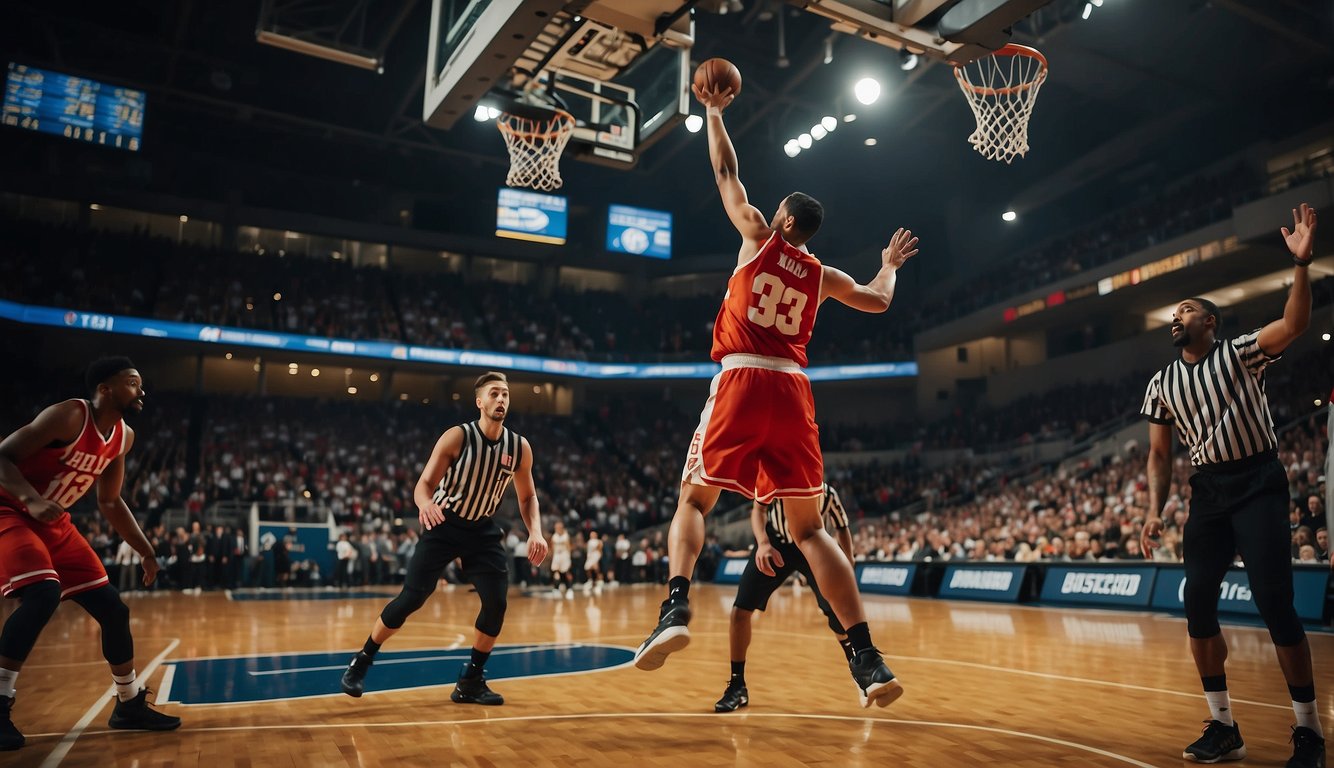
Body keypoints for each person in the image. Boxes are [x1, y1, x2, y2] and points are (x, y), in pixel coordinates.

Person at [632, 78, 917, 709]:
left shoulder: (758, 236)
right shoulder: (822, 275)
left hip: (741, 376)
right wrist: (890, 265)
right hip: (793, 389)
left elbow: (726, 169)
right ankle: (867, 659)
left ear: (784, 219)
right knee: (812, 533)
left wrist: (712, 112)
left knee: (696, 501)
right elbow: (875, 300)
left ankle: (675, 606)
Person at [1140, 203, 1324, 768]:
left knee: (1275, 603)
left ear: (1210, 322)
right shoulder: (1162, 382)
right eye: (1173, 313)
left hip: (1260, 481)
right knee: (1196, 600)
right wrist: (1154, 510)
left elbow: (1294, 325)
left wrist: (1301, 265)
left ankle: (1309, 730)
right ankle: (1223, 726)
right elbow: (1159, 453)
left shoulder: (1240, 353)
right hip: (1211, 491)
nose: (1177, 318)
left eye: (1187, 310)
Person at [0, 357, 180, 751]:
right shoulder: (68, 415)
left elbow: (111, 502)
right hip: (11, 510)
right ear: (105, 389)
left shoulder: (123, 437)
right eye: (133, 383)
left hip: (55, 522)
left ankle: (129, 704)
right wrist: (29, 500)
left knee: (113, 609)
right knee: (43, 592)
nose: (141, 390)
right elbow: (2, 456)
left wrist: (146, 551)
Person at [340, 372, 547, 706]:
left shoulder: (519, 447)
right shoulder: (457, 437)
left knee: (496, 604)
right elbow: (423, 485)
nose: (501, 400)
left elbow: (527, 498)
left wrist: (535, 531)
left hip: (482, 529)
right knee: (412, 597)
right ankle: (362, 659)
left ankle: (471, 681)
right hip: (445, 523)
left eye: (506, 394)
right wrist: (425, 506)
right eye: (494, 394)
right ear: (479, 401)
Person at [716, 483, 853, 712]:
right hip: (775, 544)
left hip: (811, 544)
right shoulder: (773, 482)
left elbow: (842, 526)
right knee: (740, 611)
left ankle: (859, 667)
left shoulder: (827, 493)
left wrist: (849, 560)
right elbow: (758, 510)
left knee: (837, 609)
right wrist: (762, 543)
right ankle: (737, 685)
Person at [549, 520, 573, 599]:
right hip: (557, 555)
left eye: (559, 527)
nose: (557, 529)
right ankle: (556, 589)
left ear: (562, 528)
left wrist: (569, 558)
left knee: (567, 572)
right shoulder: (554, 536)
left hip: (564, 555)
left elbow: (569, 547)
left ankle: (570, 590)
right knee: (556, 572)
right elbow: (552, 547)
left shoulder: (566, 535)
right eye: (556, 527)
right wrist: (552, 556)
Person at [583, 530, 604, 594]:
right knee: (587, 569)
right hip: (590, 558)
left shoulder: (599, 542)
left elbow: (600, 551)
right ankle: (591, 582)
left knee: (596, 570)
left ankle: (599, 583)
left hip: (595, 557)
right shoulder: (589, 542)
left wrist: (597, 559)